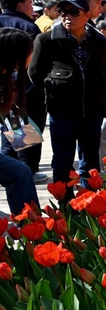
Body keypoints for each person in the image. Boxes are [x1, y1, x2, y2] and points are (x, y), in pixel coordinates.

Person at [28, 0, 106, 196]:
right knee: (62, 162)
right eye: (63, 12)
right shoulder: (46, 40)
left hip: (92, 112)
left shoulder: (99, 41)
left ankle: (90, 202)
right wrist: (54, 90)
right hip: (62, 113)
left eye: (74, 12)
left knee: (90, 162)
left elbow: (103, 73)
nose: (67, 17)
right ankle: (65, 205)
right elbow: (35, 73)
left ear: (87, 15)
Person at [0, 0, 46, 182]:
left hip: (14, 94)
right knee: (22, 132)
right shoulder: (27, 27)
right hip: (26, 91)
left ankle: (17, 171)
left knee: (13, 131)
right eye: (30, 2)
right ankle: (27, 170)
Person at [0, 28, 40, 216]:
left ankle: (33, 227)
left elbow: (14, 120)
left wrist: (26, 140)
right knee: (19, 172)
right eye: (30, 52)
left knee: (21, 172)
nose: (32, 56)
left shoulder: (6, 78)